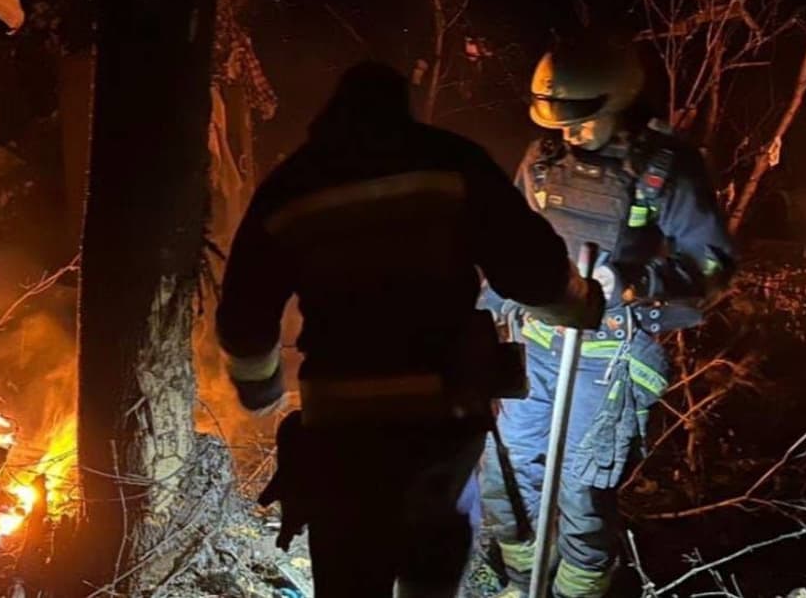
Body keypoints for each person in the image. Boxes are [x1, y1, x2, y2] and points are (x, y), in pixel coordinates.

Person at [215, 61, 606, 598]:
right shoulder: (452, 162)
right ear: (404, 109)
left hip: (340, 428)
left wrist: (261, 390)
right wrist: (579, 305)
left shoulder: (292, 185)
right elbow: (531, 268)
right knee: (432, 564)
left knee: (350, 570)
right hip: (441, 420)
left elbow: (243, 314)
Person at [479, 40, 737, 597]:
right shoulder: (542, 160)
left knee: (580, 488)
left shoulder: (665, 169)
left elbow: (713, 266)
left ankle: (579, 590)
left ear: (618, 101)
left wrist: (634, 284)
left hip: (609, 360)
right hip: (535, 349)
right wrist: (480, 314)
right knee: (503, 469)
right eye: (560, 121)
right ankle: (524, 581)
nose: (569, 132)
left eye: (583, 121)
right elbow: (511, 248)